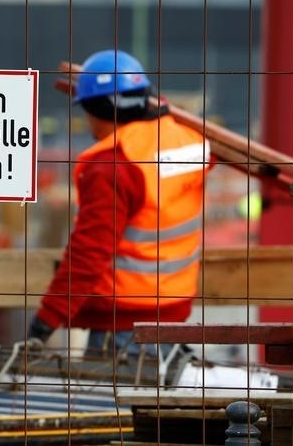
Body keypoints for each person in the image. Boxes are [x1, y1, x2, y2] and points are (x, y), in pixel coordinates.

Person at [28, 49, 211, 357]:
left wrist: (45, 323)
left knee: (109, 405)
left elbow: (89, 253)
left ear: (97, 109)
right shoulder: (190, 142)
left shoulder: (112, 165)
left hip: (124, 326)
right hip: (173, 313)